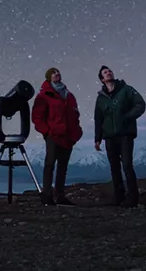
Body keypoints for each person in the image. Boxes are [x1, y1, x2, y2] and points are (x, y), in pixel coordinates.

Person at [93, 65, 146, 207]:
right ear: (102, 79)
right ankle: (119, 198)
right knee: (114, 167)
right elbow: (98, 118)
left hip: (125, 134)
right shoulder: (101, 98)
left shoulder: (126, 90)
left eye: (110, 71)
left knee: (127, 165)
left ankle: (133, 199)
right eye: (105, 72)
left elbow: (140, 104)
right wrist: (97, 138)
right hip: (109, 137)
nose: (109, 73)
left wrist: (128, 117)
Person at [31, 67, 81, 206]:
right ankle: (47, 195)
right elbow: (37, 117)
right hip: (53, 135)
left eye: (58, 72)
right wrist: (47, 132)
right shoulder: (44, 96)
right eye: (53, 73)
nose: (57, 74)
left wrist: (77, 132)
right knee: (50, 164)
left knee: (63, 167)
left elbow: (75, 115)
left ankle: (60, 196)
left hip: (68, 136)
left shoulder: (69, 96)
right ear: (48, 77)